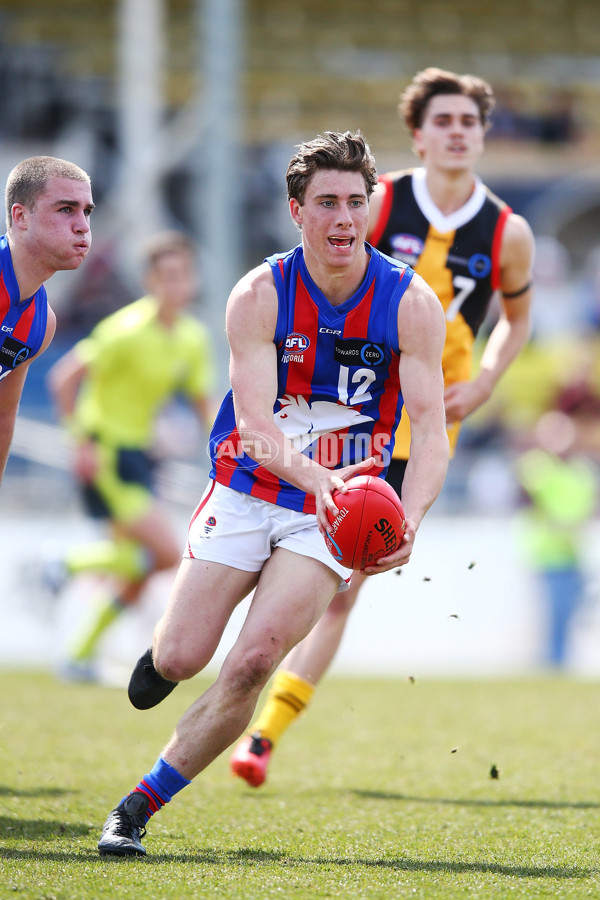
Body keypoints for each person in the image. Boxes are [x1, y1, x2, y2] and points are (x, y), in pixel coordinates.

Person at [97, 130, 449, 856]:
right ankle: (163, 657)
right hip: (251, 485)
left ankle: (135, 807)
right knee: (181, 656)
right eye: (327, 203)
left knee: (256, 660)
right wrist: (323, 481)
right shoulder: (260, 293)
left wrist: (408, 518)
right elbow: (255, 424)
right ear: (297, 211)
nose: (344, 218)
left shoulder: (411, 302)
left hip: (331, 518)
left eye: (357, 201)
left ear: (371, 207)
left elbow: (433, 433)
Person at [229, 67, 534, 787]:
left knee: (348, 577)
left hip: (424, 422)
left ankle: (265, 733)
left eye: (470, 121)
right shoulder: (372, 200)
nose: (458, 132)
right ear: (419, 135)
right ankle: (217, 657)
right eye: (445, 121)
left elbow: (517, 321)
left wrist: (486, 381)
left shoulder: (506, 232)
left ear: (483, 136)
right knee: (303, 558)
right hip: (354, 415)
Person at [46, 230, 215, 681]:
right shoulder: (124, 330)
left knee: (137, 571)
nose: (176, 284)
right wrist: (79, 443)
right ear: (150, 280)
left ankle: (78, 658)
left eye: (183, 274)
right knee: (165, 554)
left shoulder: (191, 337)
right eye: (166, 275)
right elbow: (64, 379)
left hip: (141, 456)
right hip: (107, 454)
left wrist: (229, 447)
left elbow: (202, 404)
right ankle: (62, 567)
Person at [0, 155, 93, 487]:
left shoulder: (41, 324)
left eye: (87, 211)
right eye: (66, 209)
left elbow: (3, 415)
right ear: (21, 216)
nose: (82, 225)